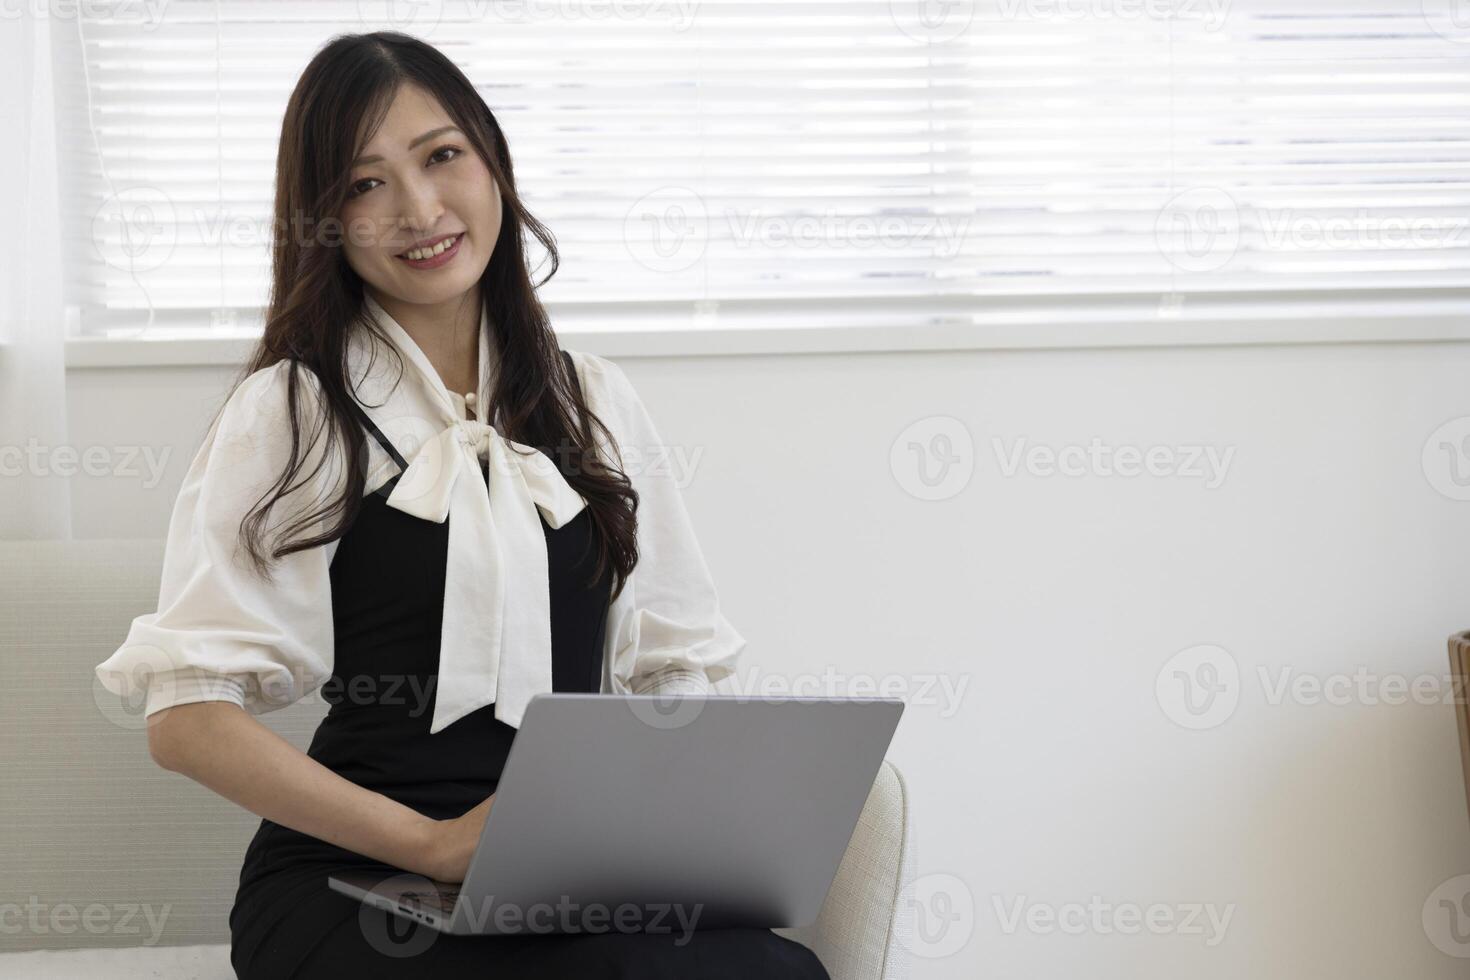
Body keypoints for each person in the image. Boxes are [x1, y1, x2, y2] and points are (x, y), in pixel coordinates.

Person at [93, 30, 831, 980]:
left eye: (442, 156)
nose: (419, 209)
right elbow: (187, 718)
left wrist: (668, 837)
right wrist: (436, 849)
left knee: (772, 973)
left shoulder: (591, 398)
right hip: (351, 877)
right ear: (324, 221)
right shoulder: (294, 408)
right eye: (365, 185)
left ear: (493, 161)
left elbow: (671, 674)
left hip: (567, 870)